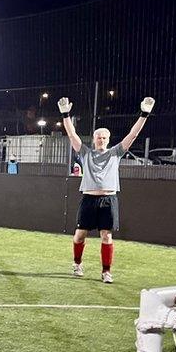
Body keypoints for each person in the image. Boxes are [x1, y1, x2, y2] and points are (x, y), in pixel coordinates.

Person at [59, 96, 155, 283]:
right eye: (98, 137)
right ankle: (77, 264)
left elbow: (132, 135)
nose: (101, 140)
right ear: (94, 139)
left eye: (104, 138)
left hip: (109, 199)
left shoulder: (116, 153)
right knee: (80, 235)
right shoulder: (85, 153)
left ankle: (106, 272)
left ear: (108, 139)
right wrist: (66, 115)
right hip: (88, 199)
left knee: (106, 235)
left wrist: (144, 114)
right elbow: (72, 135)